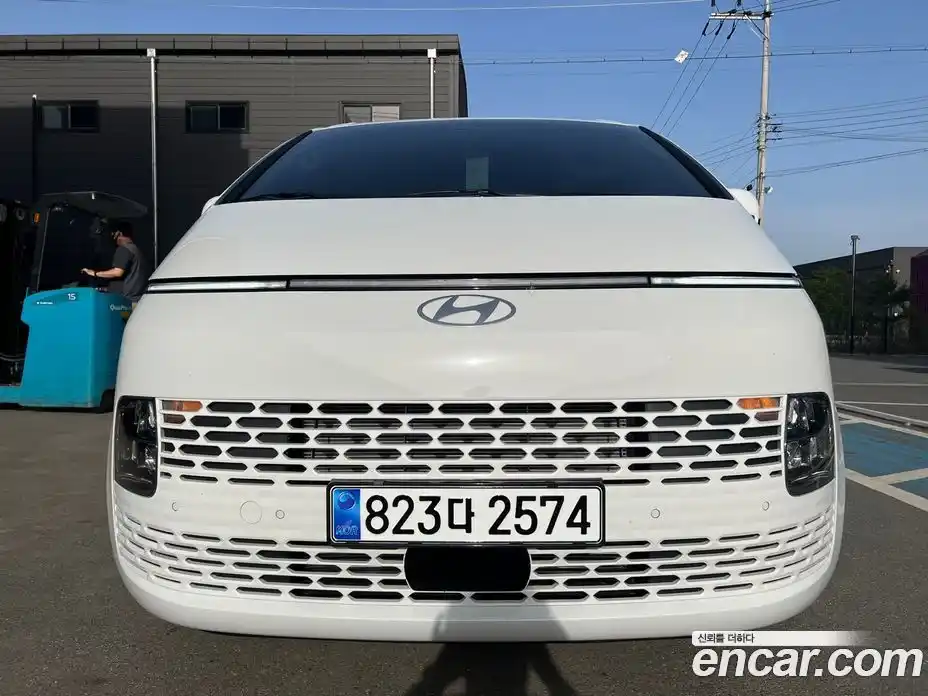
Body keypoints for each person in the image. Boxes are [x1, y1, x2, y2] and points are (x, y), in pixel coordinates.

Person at [80, 220, 151, 307]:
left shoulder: (123, 249)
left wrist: (95, 273)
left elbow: (117, 272)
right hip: (136, 300)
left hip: (125, 303)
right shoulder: (136, 250)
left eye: (112, 233)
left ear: (118, 233)